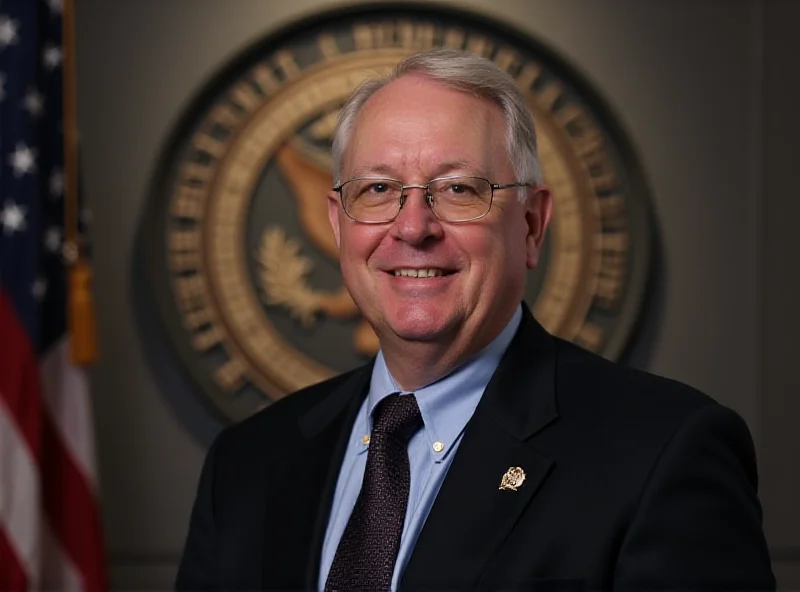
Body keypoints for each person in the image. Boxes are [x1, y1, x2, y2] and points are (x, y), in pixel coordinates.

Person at [176, 49, 775, 591]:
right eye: (379, 189)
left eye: (460, 189)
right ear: (338, 224)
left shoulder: (662, 451)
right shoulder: (247, 465)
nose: (413, 228)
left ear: (532, 225)